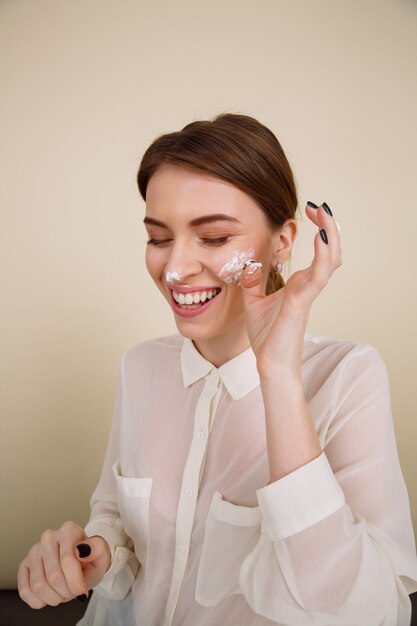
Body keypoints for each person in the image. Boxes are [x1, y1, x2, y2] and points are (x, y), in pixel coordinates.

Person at [18, 113, 417, 625]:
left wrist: (278, 379)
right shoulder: (140, 367)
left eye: (213, 238)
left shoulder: (347, 376)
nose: (176, 268)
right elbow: (116, 516)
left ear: (281, 241)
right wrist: (97, 553)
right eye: (159, 238)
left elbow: (370, 611)